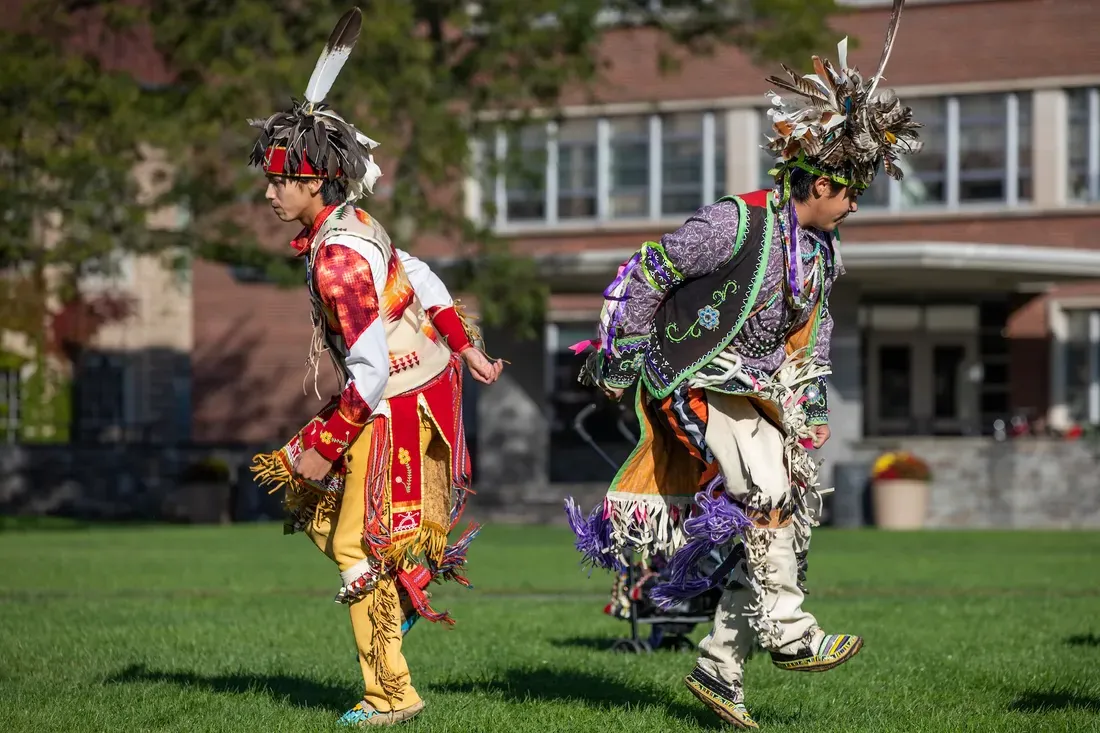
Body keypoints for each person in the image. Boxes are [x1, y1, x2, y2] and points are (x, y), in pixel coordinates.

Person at [565, 0, 921, 727]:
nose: (856, 204)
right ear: (818, 182)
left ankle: (720, 665)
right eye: (852, 190)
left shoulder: (819, 253)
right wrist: (623, 354)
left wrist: (811, 412)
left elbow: (810, 337)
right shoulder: (735, 222)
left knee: (780, 520)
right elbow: (651, 271)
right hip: (690, 377)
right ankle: (790, 632)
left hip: (755, 393)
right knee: (762, 491)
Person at [248, 8, 503, 727]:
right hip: (416, 382)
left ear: (314, 181)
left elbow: (365, 371)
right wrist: (466, 344)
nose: (269, 194)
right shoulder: (355, 224)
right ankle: (407, 591)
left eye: (279, 181)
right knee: (339, 530)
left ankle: (390, 689)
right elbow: (416, 270)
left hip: (392, 395)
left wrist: (325, 446)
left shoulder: (336, 259)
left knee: (352, 540)